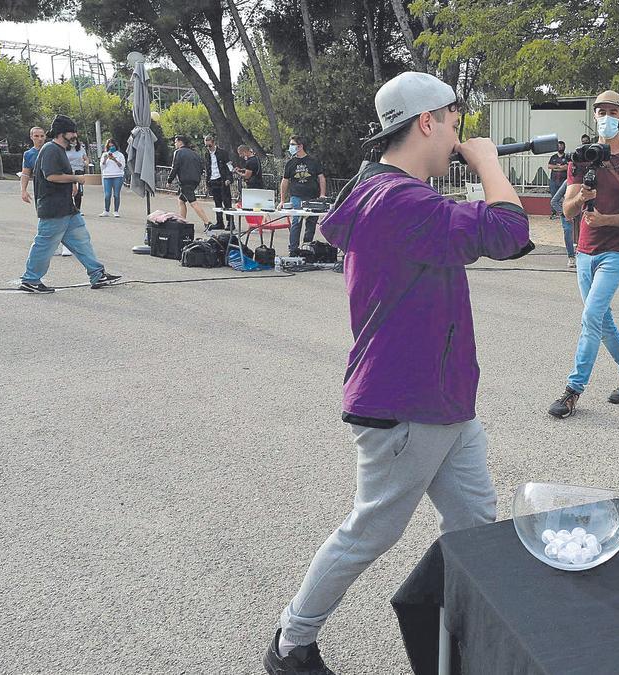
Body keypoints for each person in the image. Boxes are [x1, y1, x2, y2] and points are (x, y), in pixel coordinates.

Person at [262, 71, 532, 675]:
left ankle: (462, 638)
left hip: (444, 400)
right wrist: (489, 164)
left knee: (474, 524)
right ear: (427, 122)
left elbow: (463, 233)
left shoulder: (389, 193)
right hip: (407, 401)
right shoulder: (402, 200)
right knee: (370, 531)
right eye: (456, 127)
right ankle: (290, 643)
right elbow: (510, 233)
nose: (459, 140)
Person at [548, 90, 619, 419]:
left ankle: (572, 391)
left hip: (617, 252)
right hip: (585, 251)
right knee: (602, 321)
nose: (605, 116)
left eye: (611, 111)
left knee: (591, 317)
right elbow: (566, 210)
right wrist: (581, 199)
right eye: (600, 111)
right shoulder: (581, 157)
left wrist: (606, 219)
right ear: (594, 116)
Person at [19, 115, 123, 293]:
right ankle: (31, 280)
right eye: (72, 132)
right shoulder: (51, 149)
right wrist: (77, 178)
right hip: (54, 208)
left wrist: (72, 182)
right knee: (45, 244)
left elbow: (57, 174)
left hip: (66, 207)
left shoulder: (58, 149)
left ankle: (97, 273)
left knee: (82, 240)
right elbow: (51, 175)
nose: (75, 135)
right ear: (62, 133)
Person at [21, 126, 72, 257]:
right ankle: (51, 245)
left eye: (42, 136)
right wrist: (23, 190)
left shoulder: (54, 149)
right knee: (46, 219)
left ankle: (66, 245)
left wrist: (74, 184)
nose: (39, 139)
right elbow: (26, 173)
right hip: (42, 192)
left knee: (65, 216)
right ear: (31, 137)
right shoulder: (29, 154)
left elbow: (66, 169)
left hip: (59, 190)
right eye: (36, 136)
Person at [280, 136, 326, 254]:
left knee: (311, 223)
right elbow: (285, 181)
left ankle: (306, 247)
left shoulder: (313, 161)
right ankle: (293, 249)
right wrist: (282, 200)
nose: (290, 147)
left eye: (292, 144)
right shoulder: (290, 163)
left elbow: (321, 178)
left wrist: (322, 194)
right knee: (297, 220)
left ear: (300, 146)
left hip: (312, 196)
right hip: (296, 196)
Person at [168, 135, 212, 227]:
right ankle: (182, 221)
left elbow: (175, 167)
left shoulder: (178, 152)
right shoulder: (194, 153)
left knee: (193, 202)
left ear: (180, 142)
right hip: (195, 180)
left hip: (185, 180)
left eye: (176, 142)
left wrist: (169, 180)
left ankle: (207, 222)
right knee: (181, 200)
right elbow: (201, 167)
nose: (175, 144)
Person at [203, 134, 232, 229]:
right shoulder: (207, 154)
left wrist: (229, 178)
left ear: (214, 143)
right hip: (213, 180)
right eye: (206, 146)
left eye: (209, 145)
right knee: (217, 203)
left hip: (222, 180)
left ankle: (230, 223)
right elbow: (207, 168)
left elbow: (229, 166)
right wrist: (208, 182)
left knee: (227, 202)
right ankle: (220, 222)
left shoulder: (223, 153)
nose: (208, 148)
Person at [549, 175, 577, 267]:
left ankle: (582, 255)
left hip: (580, 213)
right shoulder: (567, 183)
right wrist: (564, 213)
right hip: (566, 212)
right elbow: (554, 201)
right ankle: (571, 257)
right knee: (568, 231)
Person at [98, 138, 126, 217]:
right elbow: (102, 167)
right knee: (107, 195)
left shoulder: (120, 155)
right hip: (107, 176)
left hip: (118, 176)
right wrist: (105, 159)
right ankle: (106, 210)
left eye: (112, 146)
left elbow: (122, 167)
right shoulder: (104, 154)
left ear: (115, 146)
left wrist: (115, 160)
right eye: (109, 146)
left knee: (116, 194)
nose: (111, 148)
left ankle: (116, 211)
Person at [65, 136, 88, 212]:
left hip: (79, 170)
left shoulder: (81, 149)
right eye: (71, 140)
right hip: (69, 170)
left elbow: (86, 158)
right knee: (69, 189)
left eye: (75, 140)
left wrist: (86, 163)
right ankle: (69, 207)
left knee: (78, 191)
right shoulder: (65, 149)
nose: (73, 142)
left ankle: (78, 208)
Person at [547, 140, 569, 218]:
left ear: (564, 147)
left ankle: (563, 213)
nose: (560, 147)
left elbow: (567, 167)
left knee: (564, 197)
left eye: (562, 146)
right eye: (559, 146)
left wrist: (556, 167)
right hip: (553, 181)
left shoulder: (567, 157)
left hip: (563, 181)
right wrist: (560, 167)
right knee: (554, 197)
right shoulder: (553, 157)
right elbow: (549, 166)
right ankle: (554, 214)